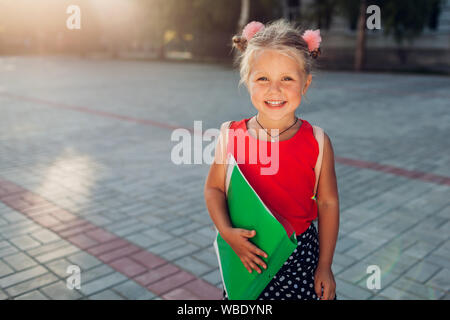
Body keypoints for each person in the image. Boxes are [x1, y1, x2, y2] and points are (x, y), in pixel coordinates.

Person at [204, 19, 339, 300]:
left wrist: (325, 266)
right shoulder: (230, 135)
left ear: (306, 83)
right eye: (262, 78)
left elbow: (327, 203)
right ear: (247, 81)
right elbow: (214, 189)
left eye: (287, 79)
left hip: (301, 260)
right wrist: (227, 232)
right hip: (248, 253)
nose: (274, 90)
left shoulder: (318, 141)